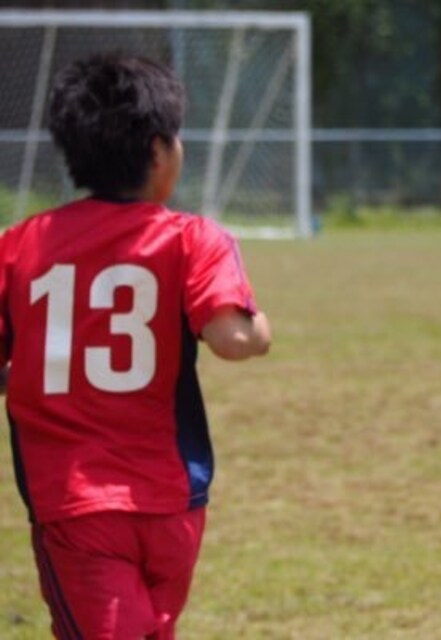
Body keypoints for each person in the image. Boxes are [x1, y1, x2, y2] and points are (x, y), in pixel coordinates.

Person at [0, 53, 271, 639]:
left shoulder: (20, 246)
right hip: (174, 500)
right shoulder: (193, 237)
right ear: (157, 150)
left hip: (76, 504)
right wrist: (261, 330)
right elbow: (232, 339)